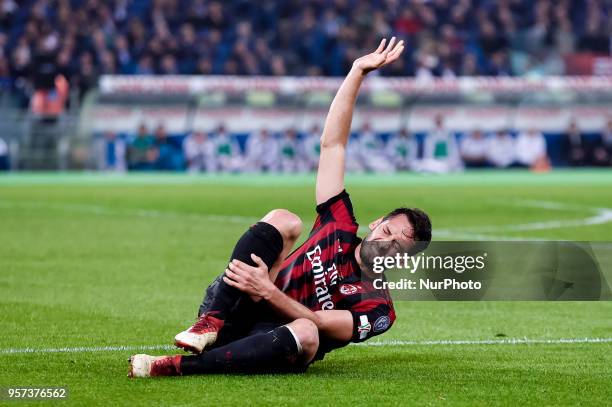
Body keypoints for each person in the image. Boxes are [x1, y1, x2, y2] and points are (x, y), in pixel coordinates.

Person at [128, 37, 432, 377]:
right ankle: (209, 322)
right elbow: (333, 145)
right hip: (242, 302)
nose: (387, 244)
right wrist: (357, 72)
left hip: (279, 338)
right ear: (377, 223)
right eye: (389, 231)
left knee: (308, 332)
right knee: (285, 219)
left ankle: (179, 366)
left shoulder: (379, 308)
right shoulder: (340, 225)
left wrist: (269, 291)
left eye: (398, 248)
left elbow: (317, 320)